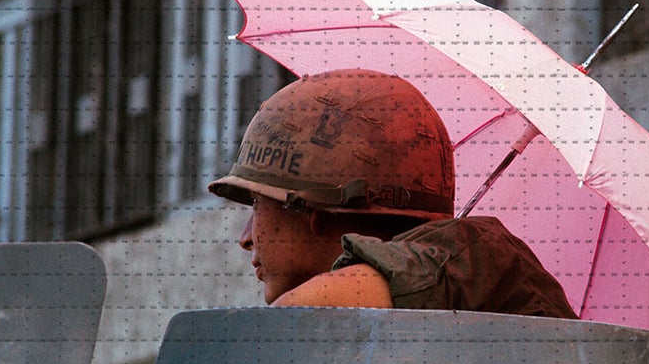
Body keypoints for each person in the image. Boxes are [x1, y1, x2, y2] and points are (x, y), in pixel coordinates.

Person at [209, 68, 577, 319]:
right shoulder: (419, 293)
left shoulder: (474, 256)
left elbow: (282, 330)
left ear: (312, 211)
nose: (246, 238)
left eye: (257, 204)